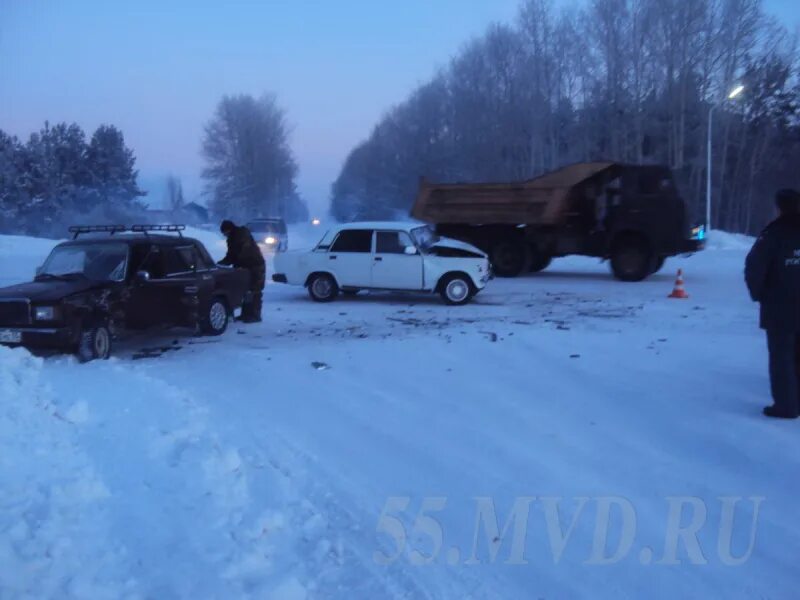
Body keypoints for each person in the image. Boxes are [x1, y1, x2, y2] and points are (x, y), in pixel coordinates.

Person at [745, 189, 800, 419]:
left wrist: (759, 295)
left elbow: (754, 268)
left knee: (781, 356)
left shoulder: (773, 234)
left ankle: (786, 405)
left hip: (780, 305)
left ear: (780, 207)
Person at [218, 219, 266, 323]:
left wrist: (236, 262)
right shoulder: (231, 239)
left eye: (225, 233)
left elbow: (245, 252)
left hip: (256, 266)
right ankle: (246, 315)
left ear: (229, 230)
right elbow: (230, 255)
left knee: (255, 291)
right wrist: (221, 264)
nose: (225, 235)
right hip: (244, 268)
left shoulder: (243, 235)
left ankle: (255, 315)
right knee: (245, 290)